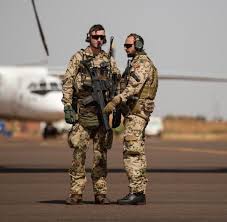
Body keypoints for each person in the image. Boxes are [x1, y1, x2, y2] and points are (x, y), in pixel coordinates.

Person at [62, 24, 120, 205]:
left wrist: (117, 109)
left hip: (102, 114)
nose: (100, 40)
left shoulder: (108, 60)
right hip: (84, 113)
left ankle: (100, 193)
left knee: (101, 156)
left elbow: (117, 83)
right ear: (89, 37)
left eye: (102, 37)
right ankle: (76, 193)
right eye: (96, 37)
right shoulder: (78, 57)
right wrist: (67, 106)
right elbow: (68, 82)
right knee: (79, 154)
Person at [104, 33, 158, 205]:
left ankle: (136, 192)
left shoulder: (142, 64)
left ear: (139, 45)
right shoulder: (134, 63)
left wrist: (116, 101)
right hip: (134, 113)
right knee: (138, 152)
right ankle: (139, 191)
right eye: (124, 46)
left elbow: (133, 88)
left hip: (137, 114)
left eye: (128, 46)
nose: (125, 49)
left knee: (132, 152)